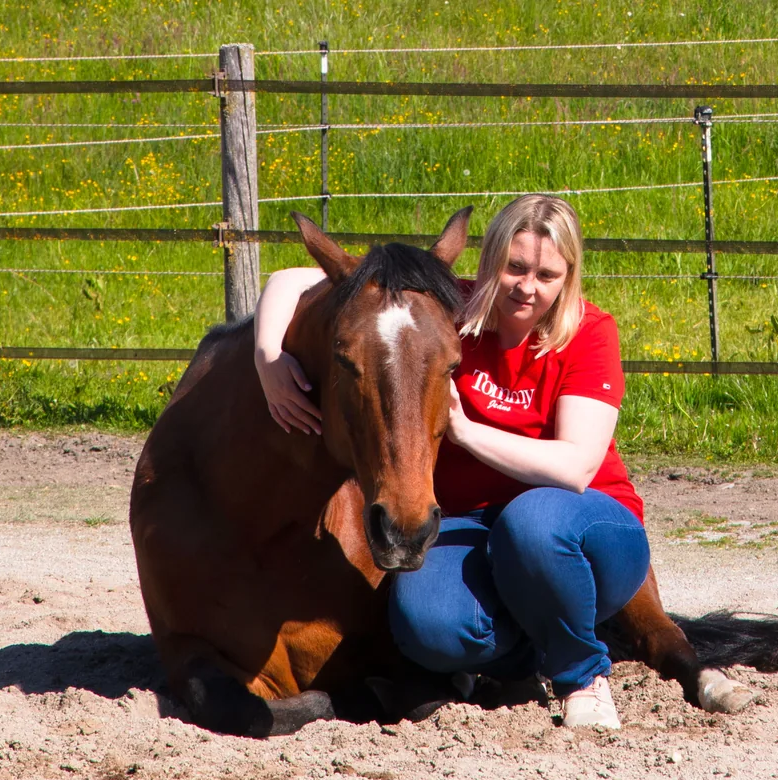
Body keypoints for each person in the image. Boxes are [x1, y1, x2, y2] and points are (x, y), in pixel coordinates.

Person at [252, 194, 647, 729]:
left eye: (547, 274)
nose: (527, 287)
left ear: (569, 277)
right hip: (475, 531)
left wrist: (465, 430)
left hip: (584, 526)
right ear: (489, 262)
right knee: (424, 623)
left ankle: (584, 674)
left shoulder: (589, 333)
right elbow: (291, 279)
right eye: (514, 267)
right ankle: (523, 659)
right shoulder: (446, 312)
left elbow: (575, 468)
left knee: (529, 523)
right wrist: (267, 357)